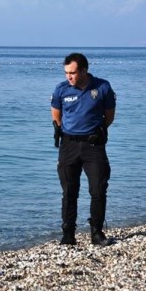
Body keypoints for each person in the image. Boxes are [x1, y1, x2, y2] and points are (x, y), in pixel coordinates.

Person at [51, 53, 116, 246]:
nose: (68, 77)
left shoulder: (102, 87)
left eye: (72, 73)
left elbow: (109, 116)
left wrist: (97, 131)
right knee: (69, 191)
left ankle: (96, 232)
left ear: (84, 70)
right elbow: (56, 117)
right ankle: (68, 233)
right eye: (66, 73)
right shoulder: (61, 90)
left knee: (98, 189)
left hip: (93, 145)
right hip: (69, 145)